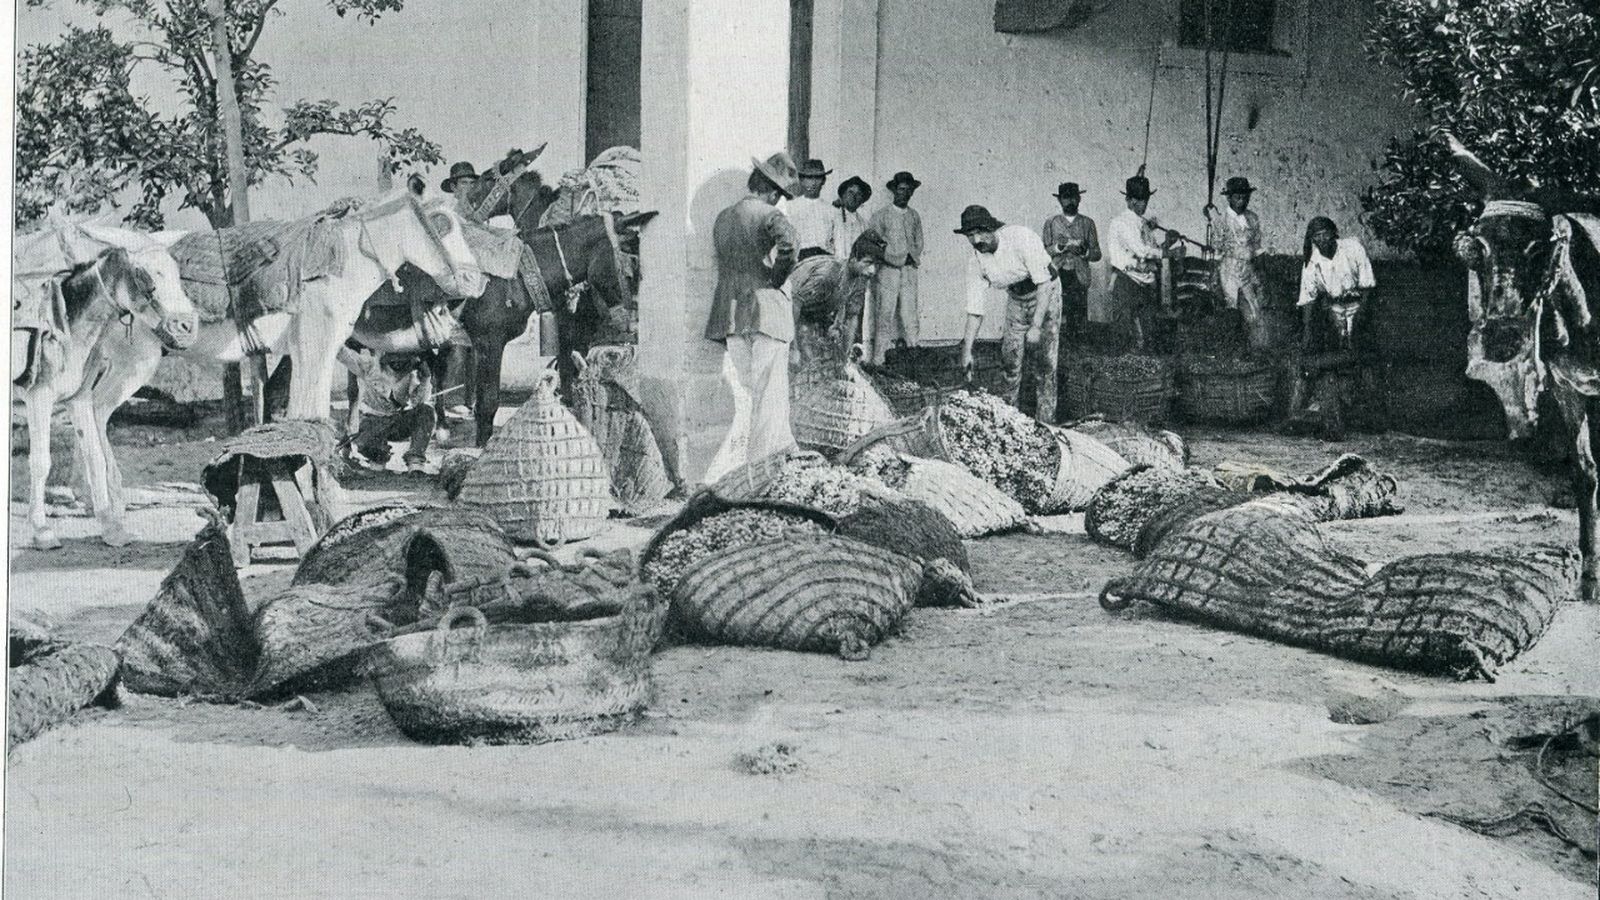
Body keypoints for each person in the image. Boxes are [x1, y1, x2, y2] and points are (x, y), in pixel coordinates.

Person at [702, 152, 802, 483]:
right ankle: (759, 474)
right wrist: (775, 278)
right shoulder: (771, 216)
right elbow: (791, 245)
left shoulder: (724, 217)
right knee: (769, 396)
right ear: (773, 192)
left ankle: (787, 455)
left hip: (730, 315)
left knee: (755, 393)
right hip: (766, 312)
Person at [956, 205, 1063, 423]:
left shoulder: (1020, 238)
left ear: (992, 229)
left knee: (1046, 363)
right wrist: (967, 351)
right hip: (1016, 298)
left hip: (1046, 293)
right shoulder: (976, 262)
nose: (976, 240)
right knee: (1010, 361)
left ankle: (1046, 421)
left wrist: (1035, 326)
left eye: (980, 232)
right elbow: (975, 311)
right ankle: (1009, 420)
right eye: (970, 235)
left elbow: (1043, 284)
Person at [1293, 216, 1378, 438]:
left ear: (1334, 233)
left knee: (1362, 358)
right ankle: (1331, 416)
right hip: (1333, 310)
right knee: (1332, 359)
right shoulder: (1311, 262)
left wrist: (1360, 317)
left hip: (1359, 305)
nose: (1322, 240)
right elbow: (1308, 300)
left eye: (1326, 234)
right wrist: (1308, 334)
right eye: (1317, 236)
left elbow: (1368, 285)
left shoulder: (1352, 248)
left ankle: (1372, 416)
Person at [787, 231, 887, 369]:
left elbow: (852, 316)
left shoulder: (860, 279)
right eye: (868, 263)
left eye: (877, 265)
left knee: (822, 362)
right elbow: (795, 304)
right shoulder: (829, 274)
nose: (872, 270)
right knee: (798, 361)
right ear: (853, 258)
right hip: (784, 306)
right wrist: (793, 347)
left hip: (809, 312)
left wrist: (844, 360)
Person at [1106, 174, 1179, 351]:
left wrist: (1167, 243)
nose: (1143, 204)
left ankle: (1146, 364)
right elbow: (1141, 251)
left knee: (1149, 328)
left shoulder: (1143, 224)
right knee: (1123, 329)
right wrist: (1169, 252)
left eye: (1145, 199)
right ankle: (1118, 367)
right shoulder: (1121, 222)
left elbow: (1152, 249)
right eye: (1138, 200)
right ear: (1128, 200)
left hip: (1145, 282)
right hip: (1126, 280)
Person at [339, 346, 437, 474]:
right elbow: (345, 356)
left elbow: (419, 402)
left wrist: (426, 379)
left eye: (403, 361)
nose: (398, 364)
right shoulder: (369, 366)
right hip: (372, 421)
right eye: (393, 360)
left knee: (427, 411)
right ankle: (379, 457)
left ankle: (415, 461)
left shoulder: (412, 373)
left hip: (397, 422)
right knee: (368, 449)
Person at [867, 171, 925, 365]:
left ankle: (913, 356)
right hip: (887, 271)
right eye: (901, 190)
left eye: (909, 191)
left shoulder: (914, 216)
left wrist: (911, 257)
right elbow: (875, 243)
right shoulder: (881, 215)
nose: (905, 194)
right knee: (885, 313)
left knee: (910, 313)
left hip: (909, 270)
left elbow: (918, 242)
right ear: (894, 190)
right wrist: (893, 258)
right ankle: (878, 360)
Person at [1041, 182, 1101, 346]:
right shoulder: (1051, 223)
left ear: (1079, 199)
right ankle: (1056, 347)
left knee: (1079, 312)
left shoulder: (1088, 223)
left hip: (1079, 274)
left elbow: (1097, 254)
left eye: (1073, 197)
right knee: (1055, 310)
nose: (1070, 201)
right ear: (1060, 200)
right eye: (1066, 198)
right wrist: (1059, 247)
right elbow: (1042, 252)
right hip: (1057, 273)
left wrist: (1084, 252)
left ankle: (1078, 348)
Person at [1213, 176, 1268, 352]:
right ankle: (1232, 350)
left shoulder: (1253, 218)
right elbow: (1216, 252)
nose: (1242, 200)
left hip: (1248, 267)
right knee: (1231, 308)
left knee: (1254, 308)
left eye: (1245, 197)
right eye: (1237, 197)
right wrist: (1214, 278)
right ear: (1229, 198)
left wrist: (1261, 271)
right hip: (1228, 268)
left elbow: (1258, 248)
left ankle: (1254, 349)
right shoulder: (1220, 221)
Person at [784, 159, 835, 260]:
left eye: (817, 178)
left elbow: (836, 245)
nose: (813, 183)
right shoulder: (789, 207)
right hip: (797, 261)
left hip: (824, 261)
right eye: (809, 178)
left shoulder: (832, 211)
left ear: (824, 180)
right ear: (801, 180)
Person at [830, 176, 872, 262]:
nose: (853, 197)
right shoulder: (832, 217)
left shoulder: (863, 224)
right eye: (850, 192)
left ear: (862, 200)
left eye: (858, 194)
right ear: (843, 194)